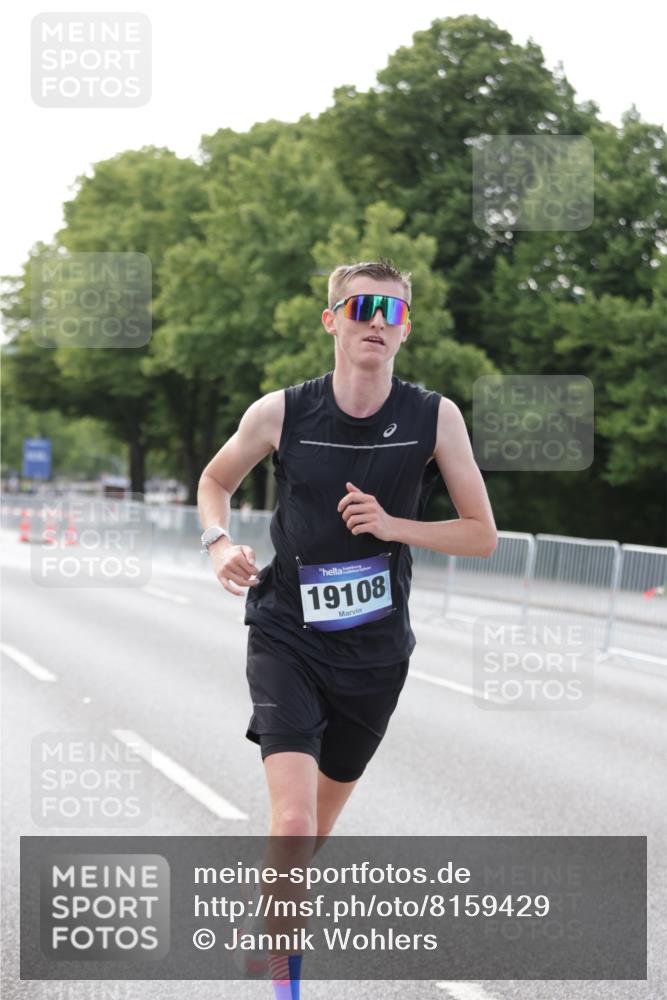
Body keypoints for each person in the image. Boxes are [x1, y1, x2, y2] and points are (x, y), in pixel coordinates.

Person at [197, 259, 497, 997]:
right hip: (286, 636)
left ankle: (271, 911)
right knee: (293, 822)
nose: (375, 320)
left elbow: (481, 534)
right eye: (361, 306)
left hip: (375, 653)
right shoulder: (283, 412)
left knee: (312, 834)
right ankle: (283, 982)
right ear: (332, 320)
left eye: (391, 311)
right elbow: (214, 482)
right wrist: (218, 542)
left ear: (403, 329)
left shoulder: (435, 417)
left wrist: (395, 525)